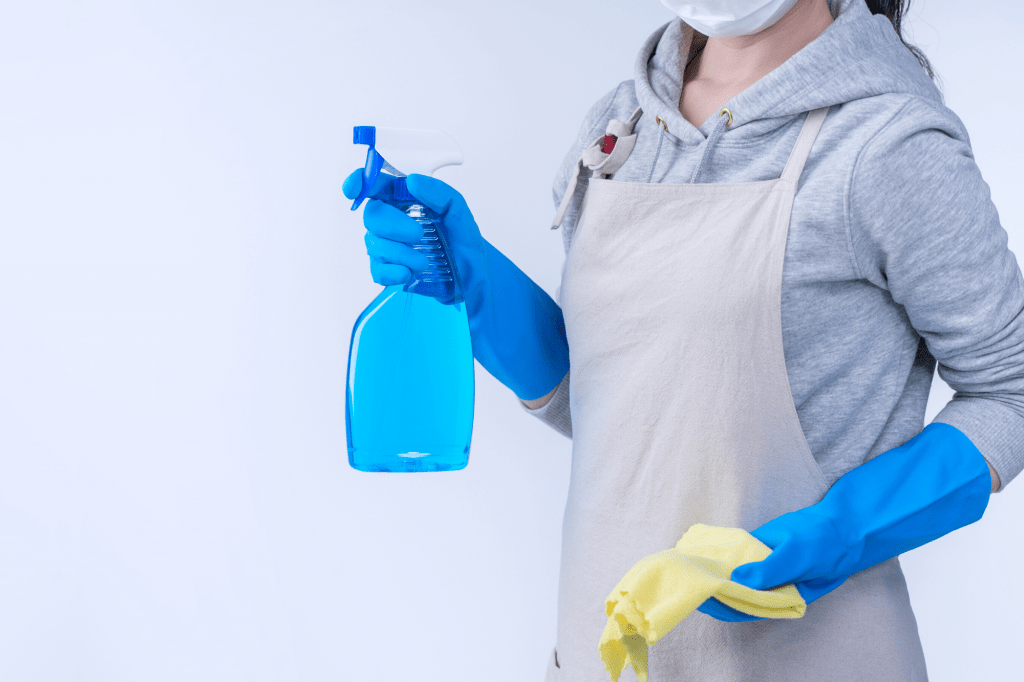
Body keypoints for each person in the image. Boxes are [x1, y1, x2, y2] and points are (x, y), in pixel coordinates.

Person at [343, 0, 1022, 679]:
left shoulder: (887, 142)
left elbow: (1012, 390)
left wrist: (839, 532)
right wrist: (477, 285)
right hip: (598, 654)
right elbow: (620, 402)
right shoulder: (620, 126)